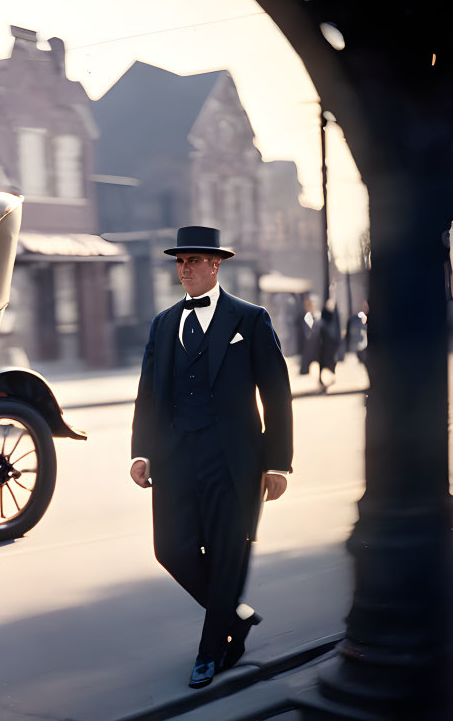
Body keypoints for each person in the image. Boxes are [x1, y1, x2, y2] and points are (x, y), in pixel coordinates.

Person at [130, 226, 293, 689]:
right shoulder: (163, 324)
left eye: (195, 261)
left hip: (234, 459)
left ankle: (210, 650)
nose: (185, 269)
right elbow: (149, 395)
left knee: (225, 555)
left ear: (216, 265)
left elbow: (277, 395)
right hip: (176, 456)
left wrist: (277, 461)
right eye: (180, 262)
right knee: (170, 550)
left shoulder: (250, 319)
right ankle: (236, 618)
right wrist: (141, 451)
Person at [316, 298, 343, 391]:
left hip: (331, 344)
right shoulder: (324, 317)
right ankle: (321, 379)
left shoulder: (335, 317)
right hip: (324, 344)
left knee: (331, 361)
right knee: (322, 362)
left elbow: (337, 331)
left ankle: (330, 377)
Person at [298, 295, 319, 376]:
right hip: (305, 346)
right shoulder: (303, 317)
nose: (311, 307)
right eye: (309, 305)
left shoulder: (316, 317)